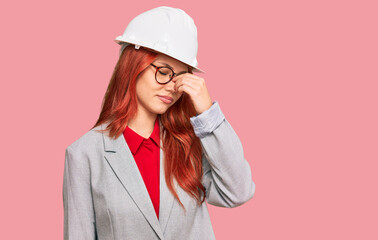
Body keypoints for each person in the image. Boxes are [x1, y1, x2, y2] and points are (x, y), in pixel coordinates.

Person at [63, 6, 255, 240]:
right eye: (164, 71)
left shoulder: (189, 143)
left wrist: (207, 114)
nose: (172, 86)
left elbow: (238, 192)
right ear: (133, 67)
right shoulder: (84, 154)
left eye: (181, 76)